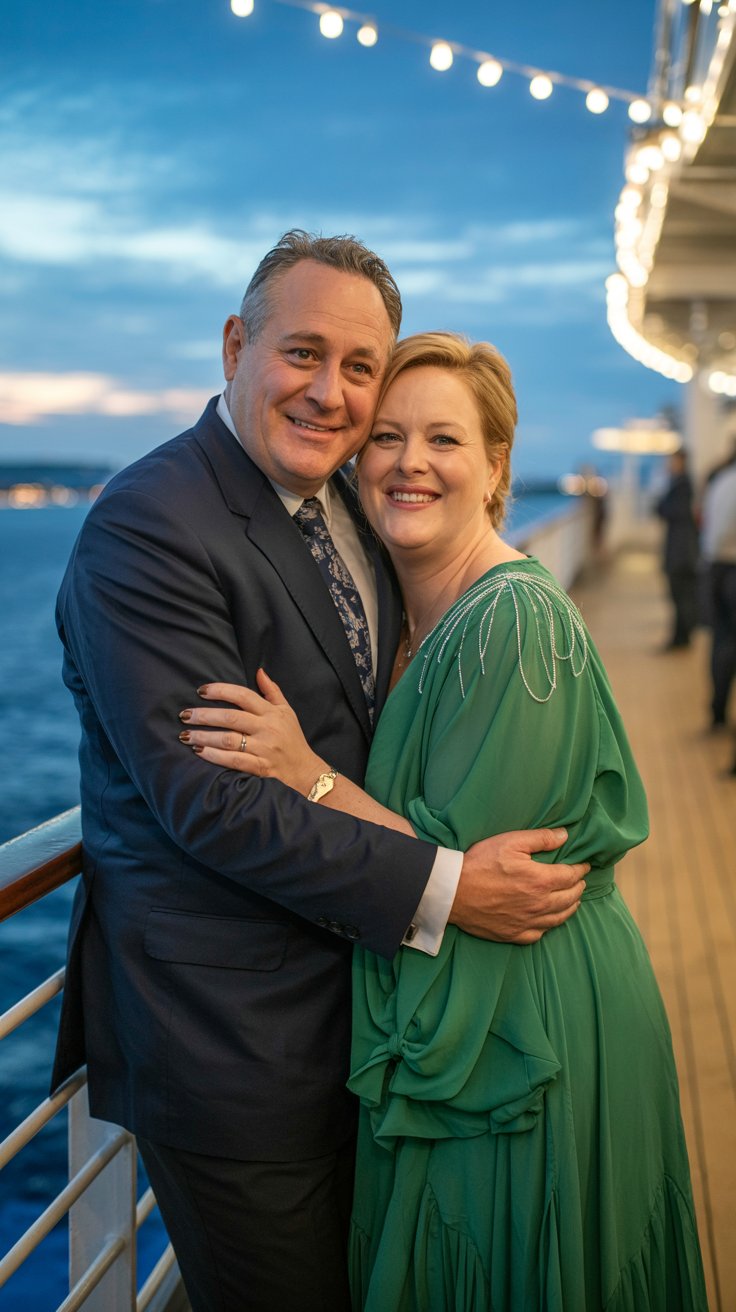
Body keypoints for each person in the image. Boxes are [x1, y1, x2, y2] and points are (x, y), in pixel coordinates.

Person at [50, 233, 589, 1312]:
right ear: (236, 344)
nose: (330, 394)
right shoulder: (150, 526)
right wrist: (447, 887)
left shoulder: (341, 495)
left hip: (357, 1024)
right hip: (233, 1055)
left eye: (359, 369)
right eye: (302, 353)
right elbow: (215, 805)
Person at [185, 332, 708, 1310]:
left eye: (444, 439)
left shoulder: (514, 623)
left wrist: (304, 773)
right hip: (478, 989)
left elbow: (467, 879)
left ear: (496, 464)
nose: (409, 462)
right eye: (385, 437)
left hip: (517, 1021)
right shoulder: (417, 614)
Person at [701, 451, 736, 744]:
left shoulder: (721, 480)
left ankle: (717, 711)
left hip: (714, 567)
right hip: (733, 567)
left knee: (721, 641)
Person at [655, 449, 700, 650]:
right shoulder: (683, 484)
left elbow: (667, 510)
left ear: (681, 461)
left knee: (680, 595)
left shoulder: (682, 485)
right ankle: (681, 636)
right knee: (680, 595)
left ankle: (681, 638)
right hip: (683, 549)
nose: (669, 464)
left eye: (672, 460)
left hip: (681, 551)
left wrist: (661, 503)